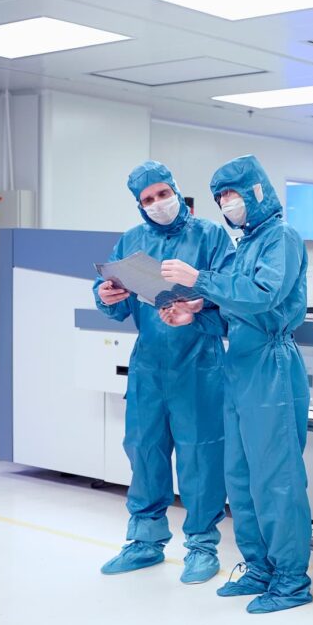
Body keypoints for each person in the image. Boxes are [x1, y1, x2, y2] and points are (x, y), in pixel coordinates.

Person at [161, 155, 312, 614]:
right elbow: (235, 316)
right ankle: (260, 568)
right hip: (240, 367)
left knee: (276, 478)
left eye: (232, 193)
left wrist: (199, 279)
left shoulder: (281, 238)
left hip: (271, 366)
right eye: (220, 197)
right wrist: (195, 314)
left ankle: (291, 581)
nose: (227, 202)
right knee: (241, 477)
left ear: (256, 191)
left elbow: (264, 297)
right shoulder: (246, 243)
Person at [93, 161, 234, 584]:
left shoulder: (210, 236)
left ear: (175, 189)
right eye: (148, 199)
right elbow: (116, 305)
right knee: (144, 450)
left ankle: (202, 545)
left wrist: (199, 303)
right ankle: (144, 541)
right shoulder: (133, 240)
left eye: (162, 193)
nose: (157, 203)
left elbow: (233, 299)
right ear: (139, 205)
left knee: (200, 455)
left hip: (198, 365)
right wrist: (106, 294)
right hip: (149, 366)